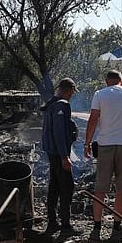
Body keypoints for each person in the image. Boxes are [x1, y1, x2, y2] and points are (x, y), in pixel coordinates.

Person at [83, 70, 122, 241]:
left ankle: (97, 227)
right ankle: (116, 227)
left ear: (106, 81)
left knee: (101, 187)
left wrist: (87, 143)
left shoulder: (99, 94)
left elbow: (93, 119)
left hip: (105, 144)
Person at [41, 77, 79, 234]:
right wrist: (65, 156)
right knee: (67, 187)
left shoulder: (51, 104)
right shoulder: (62, 105)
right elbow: (59, 132)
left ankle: (52, 221)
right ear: (68, 90)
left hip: (51, 152)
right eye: (71, 92)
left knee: (54, 185)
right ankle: (65, 224)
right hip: (58, 153)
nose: (72, 95)